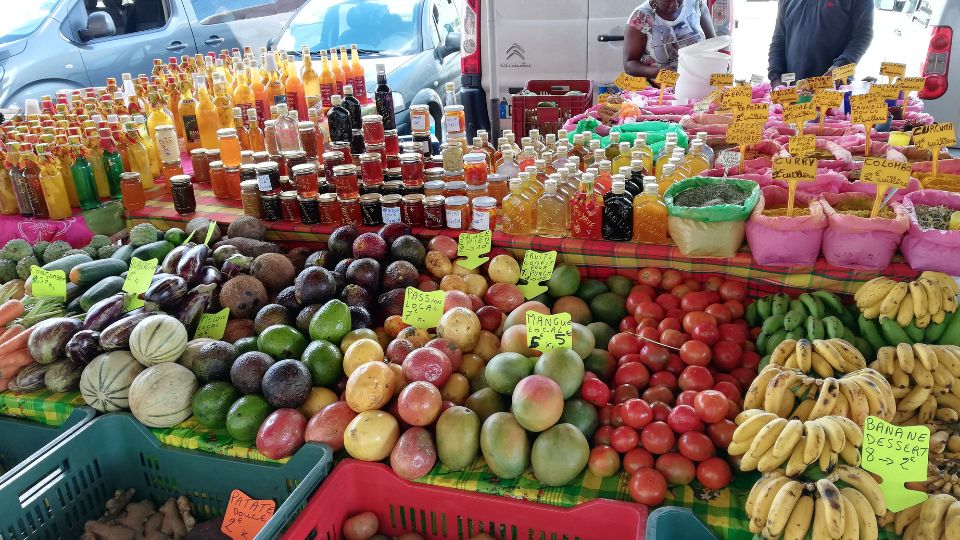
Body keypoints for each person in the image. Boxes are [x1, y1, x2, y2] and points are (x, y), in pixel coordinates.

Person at [768, 0, 874, 87]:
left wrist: (840, 66)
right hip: (793, 92)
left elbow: (862, 35)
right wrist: (775, 77)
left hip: (834, 89)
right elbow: (778, 40)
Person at [623, 0, 716, 80]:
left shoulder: (695, 3)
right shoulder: (641, 17)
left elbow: (713, 44)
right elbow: (630, 64)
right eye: (667, 0)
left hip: (699, 80)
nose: (674, 4)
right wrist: (662, 73)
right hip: (661, 90)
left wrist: (718, 63)